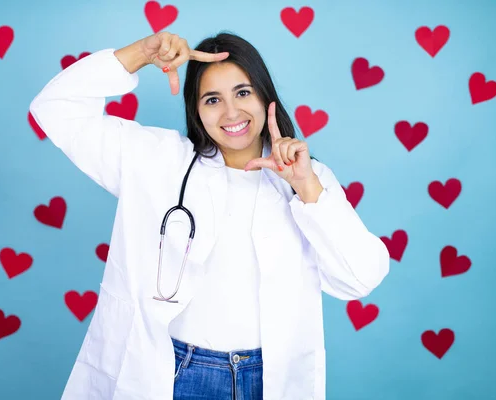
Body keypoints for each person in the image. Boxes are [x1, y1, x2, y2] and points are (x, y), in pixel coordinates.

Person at [29, 31, 390, 400]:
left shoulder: (308, 179)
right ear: (196, 110)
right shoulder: (156, 160)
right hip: (177, 374)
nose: (231, 112)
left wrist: (307, 187)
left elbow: (360, 279)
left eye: (243, 92)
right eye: (213, 99)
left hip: (270, 380)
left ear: (266, 96)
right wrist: (140, 53)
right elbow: (55, 108)